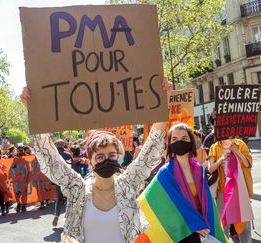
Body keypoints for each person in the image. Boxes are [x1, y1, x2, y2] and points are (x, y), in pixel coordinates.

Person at [20, 79, 171, 243]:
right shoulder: (77, 188)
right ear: (90, 162)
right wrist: (33, 111)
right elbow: (51, 158)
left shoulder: (128, 184)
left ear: (118, 156)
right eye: (100, 157)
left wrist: (163, 102)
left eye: (112, 155)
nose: (107, 160)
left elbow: (149, 151)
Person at [138, 123, 226, 243]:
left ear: (191, 142)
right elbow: (150, 202)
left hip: (204, 228)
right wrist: (193, 224)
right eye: (174, 139)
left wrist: (205, 223)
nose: (179, 142)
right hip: (182, 234)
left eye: (184, 138)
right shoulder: (165, 173)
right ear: (170, 144)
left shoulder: (199, 169)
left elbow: (207, 201)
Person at [208, 138, 254, 243]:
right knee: (223, 225)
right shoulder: (215, 147)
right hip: (222, 191)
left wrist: (236, 151)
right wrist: (221, 159)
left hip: (240, 190)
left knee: (244, 225)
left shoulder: (240, 144)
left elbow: (248, 164)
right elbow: (210, 169)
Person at [51, 139, 73, 226]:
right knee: (68, 198)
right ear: (64, 145)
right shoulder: (67, 155)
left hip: (57, 179)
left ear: (56, 145)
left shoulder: (54, 156)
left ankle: (56, 215)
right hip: (67, 179)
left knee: (59, 198)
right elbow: (72, 167)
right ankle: (67, 217)